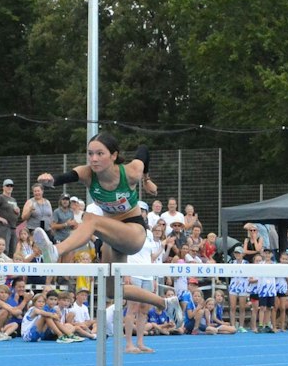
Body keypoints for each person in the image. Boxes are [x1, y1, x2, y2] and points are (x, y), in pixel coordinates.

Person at [30, 134, 179, 319]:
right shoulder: (87, 173)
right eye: (90, 153)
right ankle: (165, 303)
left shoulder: (131, 172)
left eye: (100, 153)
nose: (94, 159)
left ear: (114, 155)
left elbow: (144, 149)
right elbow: (67, 176)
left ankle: (55, 251)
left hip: (134, 232)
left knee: (91, 218)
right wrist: (51, 180)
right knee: (112, 290)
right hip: (111, 235)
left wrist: (146, 179)